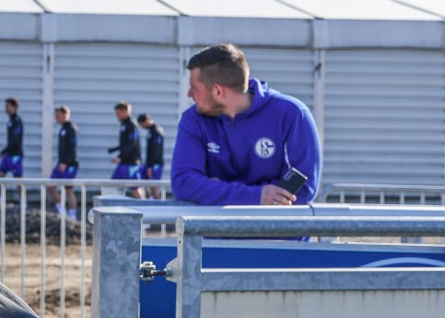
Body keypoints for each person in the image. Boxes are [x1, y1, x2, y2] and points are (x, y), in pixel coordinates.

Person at [171, 43, 321, 206]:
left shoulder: (293, 114)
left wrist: (213, 188)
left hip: (277, 231)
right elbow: (184, 184)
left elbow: (301, 190)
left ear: (218, 91)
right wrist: (257, 196)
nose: (189, 93)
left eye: (194, 88)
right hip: (217, 231)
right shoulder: (193, 120)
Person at [47, 105, 79, 219]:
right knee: (50, 186)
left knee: (69, 189)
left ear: (65, 115)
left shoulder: (71, 129)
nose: (57, 117)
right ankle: (62, 211)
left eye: (58, 115)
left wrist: (66, 162)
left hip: (69, 165)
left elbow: (72, 148)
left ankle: (72, 215)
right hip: (61, 164)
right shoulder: (62, 128)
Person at [107, 100, 142, 198]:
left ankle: (145, 208)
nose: (117, 115)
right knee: (112, 186)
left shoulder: (131, 125)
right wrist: (114, 150)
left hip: (130, 163)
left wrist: (120, 157)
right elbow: (124, 144)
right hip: (123, 163)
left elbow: (131, 144)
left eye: (118, 113)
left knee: (134, 188)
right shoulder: (124, 125)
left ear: (125, 111)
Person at [137, 112, 166, 199]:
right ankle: (149, 204)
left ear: (146, 121)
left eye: (142, 125)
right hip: (150, 163)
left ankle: (159, 207)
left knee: (154, 187)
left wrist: (150, 166)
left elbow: (156, 151)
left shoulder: (157, 131)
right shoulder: (151, 131)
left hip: (155, 164)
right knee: (147, 186)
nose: (142, 127)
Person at [0, 96, 24, 178]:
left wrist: (3, 151)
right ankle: (0, 191)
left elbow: (15, 140)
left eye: (8, 106)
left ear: (14, 107)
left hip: (15, 155)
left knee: (18, 179)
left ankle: (22, 191)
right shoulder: (10, 121)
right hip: (8, 154)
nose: (6, 108)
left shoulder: (17, 121)